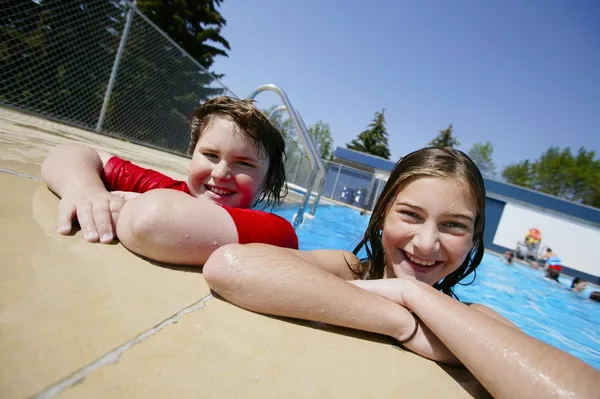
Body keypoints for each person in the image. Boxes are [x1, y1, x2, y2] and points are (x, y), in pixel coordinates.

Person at [203, 147, 600, 397]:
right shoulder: (348, 269)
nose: (427, 243)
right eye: (411, 215)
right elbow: (228, 266)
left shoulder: (471, 320)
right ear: (381, 217)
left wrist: (419, 296)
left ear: (474, 240)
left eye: (454, 225)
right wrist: (401, 320)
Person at [41, 96, 298, 265]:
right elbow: (70, 153)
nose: (220, 172)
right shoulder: (168, 188)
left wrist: (129, 203)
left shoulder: (277, 232)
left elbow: (151, 222)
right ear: (191, 156)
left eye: (244, 163)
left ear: (267, 182)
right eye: (210, 155)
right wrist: (85, 188)